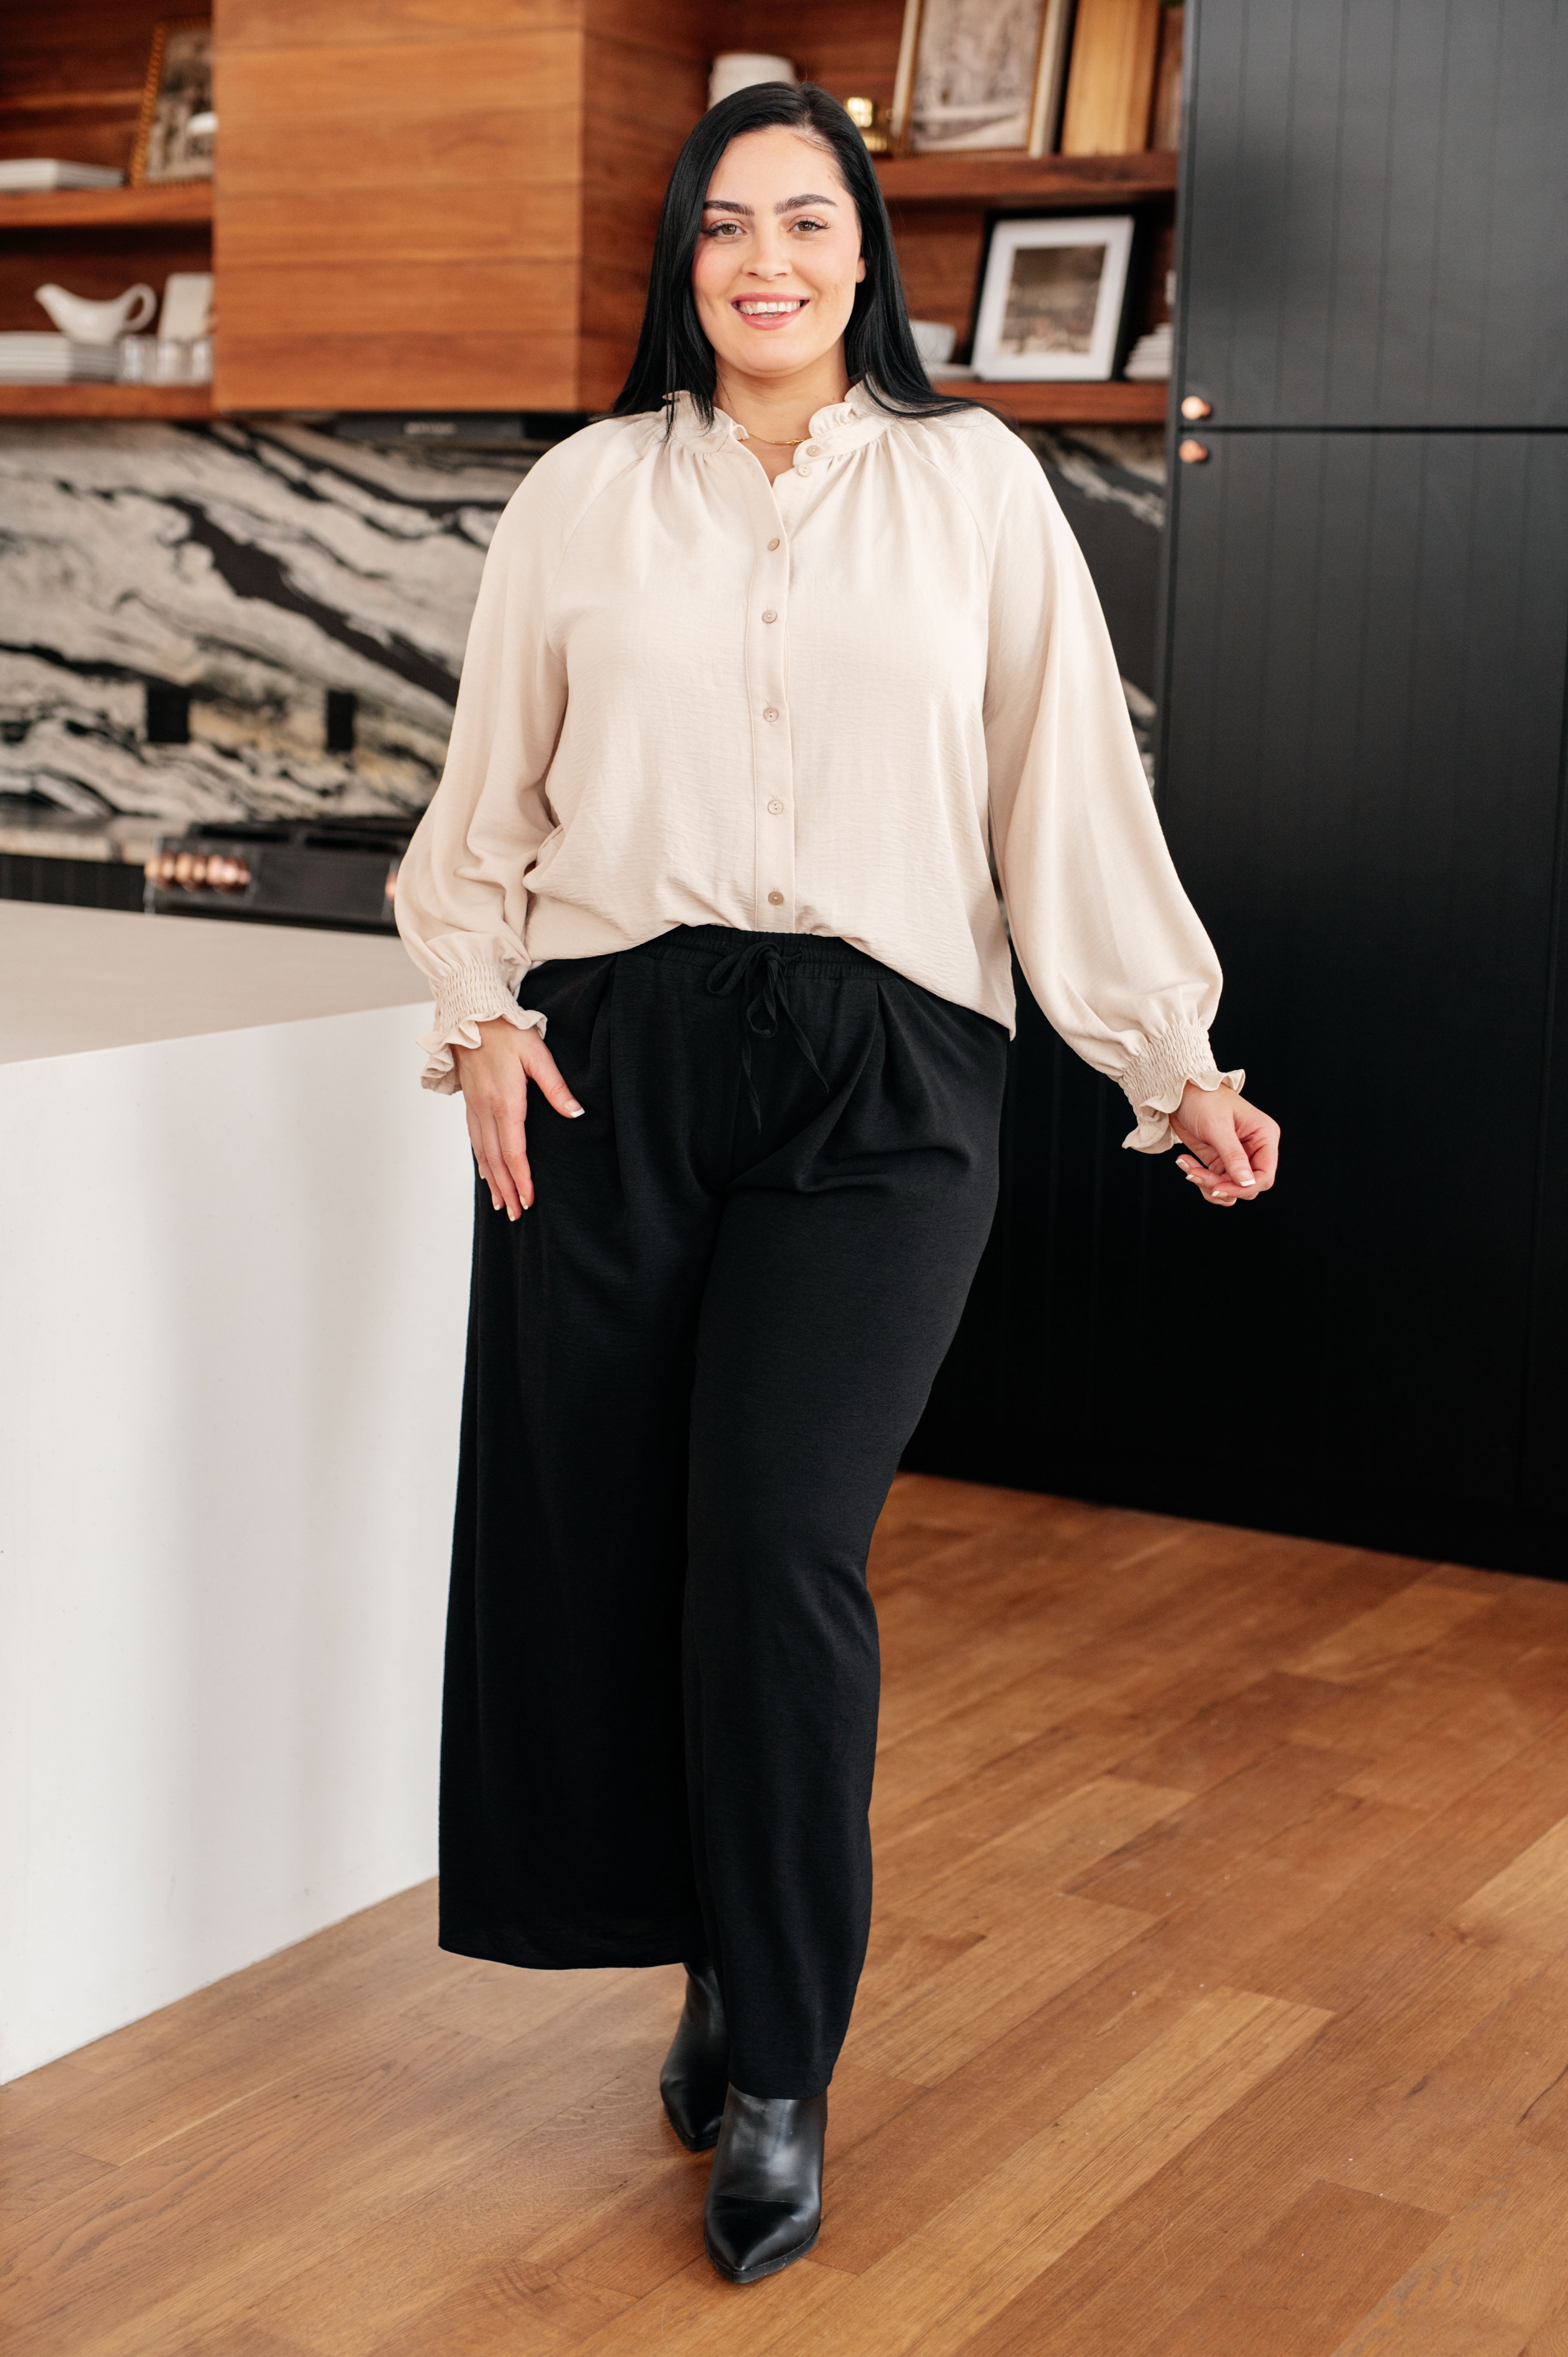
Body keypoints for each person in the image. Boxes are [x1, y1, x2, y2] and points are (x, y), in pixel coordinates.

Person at [393, 80, 1280, 2288]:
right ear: (681, 264)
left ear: (865, 250)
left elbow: (1060, 784)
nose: (763, 259)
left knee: (778, 1544)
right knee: (608, 1536)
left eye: (804, 220)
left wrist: (1169, 1061)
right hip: (619, 1065)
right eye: (723, 226)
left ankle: (779, 2060)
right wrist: (482, 1013)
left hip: (889, 1074)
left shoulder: (977, 486)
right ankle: (710, 1952)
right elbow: (485, 795)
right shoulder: (586, 496)